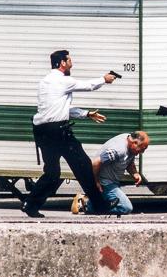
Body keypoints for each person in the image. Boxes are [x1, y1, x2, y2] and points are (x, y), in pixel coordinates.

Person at [21, 50, 116, 218]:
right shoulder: (63, 81)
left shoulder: (44, 82)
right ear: (62, 63)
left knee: (52, 173)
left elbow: (59, 109)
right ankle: (101, 205)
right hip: (59, 132)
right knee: (84, 167)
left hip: (43, 132)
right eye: (70, 60)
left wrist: (86, 114)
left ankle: (31, 204)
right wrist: (104, 79)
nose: (72, 63)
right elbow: (89, 86)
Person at [72, 131, 150, 216]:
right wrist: (96, 182)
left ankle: (89, 201)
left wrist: (135, 173)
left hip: (112, 182)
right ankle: (86, 203)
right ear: (134, 142)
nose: (142, 152)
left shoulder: (130, 143)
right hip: (105, 183)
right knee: (125, 208)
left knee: (115, 204)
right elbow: (96, 163)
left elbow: (128, 161)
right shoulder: (118, 150)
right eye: (142, 149)